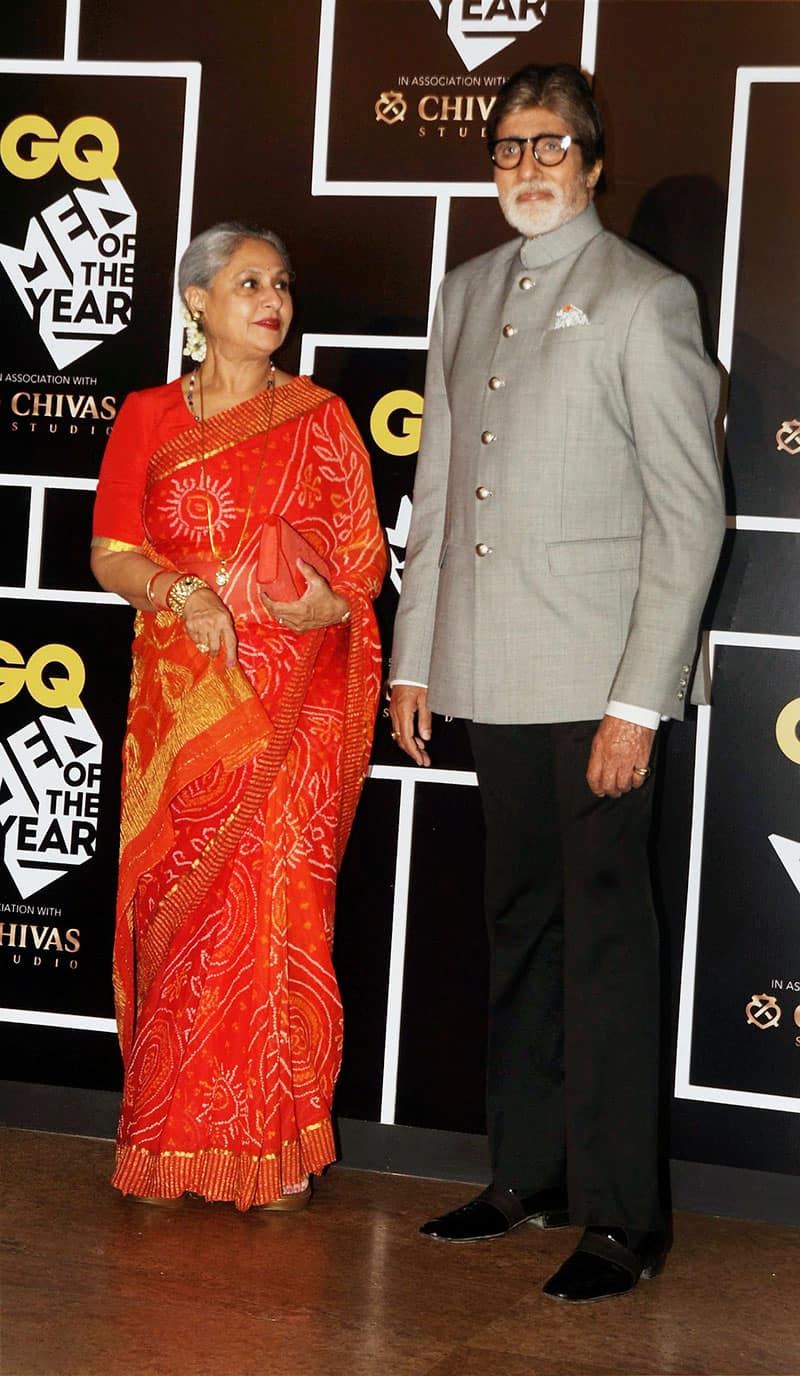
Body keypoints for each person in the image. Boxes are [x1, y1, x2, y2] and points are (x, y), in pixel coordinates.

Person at [389, 64, 724, 1302]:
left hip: (596, 684)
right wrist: (417, 654)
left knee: (604, 951)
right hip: (489, 667)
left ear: (591, 162)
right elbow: (432, 496)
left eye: (550, 147)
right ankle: (522, 1176)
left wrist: (638, 699)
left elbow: (688, 517)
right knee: (516, 930)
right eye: (507, 148)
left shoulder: (646, 300)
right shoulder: (467, 290)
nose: (525, 167)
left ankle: (622, 1219)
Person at [91, 222, 386, 1211]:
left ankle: (271, 1146)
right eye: (247, 282)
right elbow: (110, 554)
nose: (272, 300)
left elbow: (358, 565)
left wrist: (329, 606)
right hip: (186, 716)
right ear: (196, 302)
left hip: (290, 709)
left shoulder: (323, 419)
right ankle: (167, 1138)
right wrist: (181, 595)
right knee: (179, 918)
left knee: (277, 916)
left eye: (282, 284)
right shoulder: (146, 414)